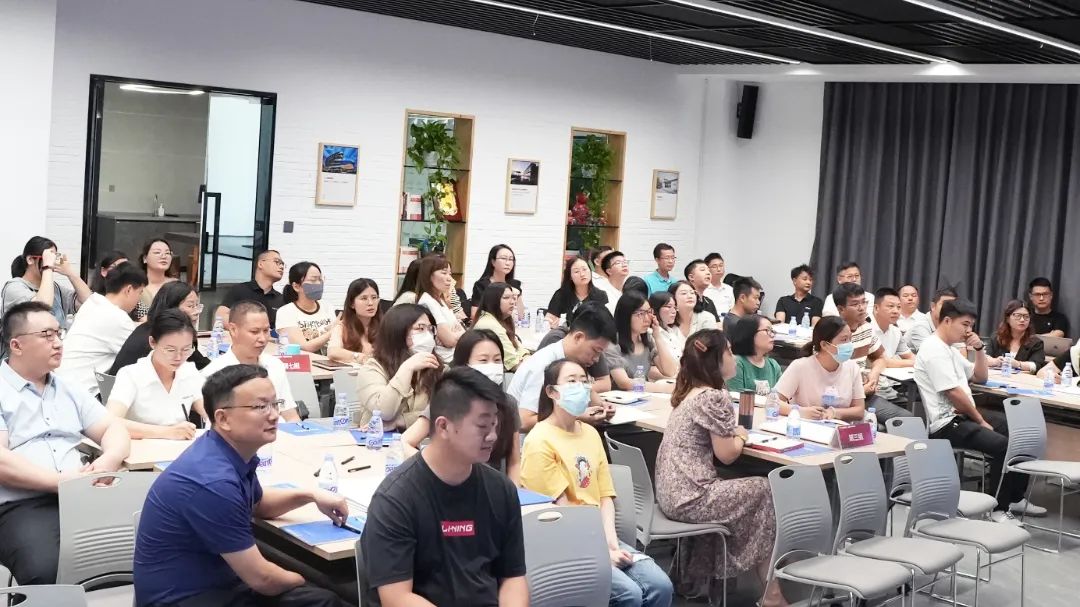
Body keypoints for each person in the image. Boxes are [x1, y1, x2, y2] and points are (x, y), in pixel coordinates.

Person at [134, 365, 348, 607]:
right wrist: (306, 580)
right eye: (260, 407)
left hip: (219, 586)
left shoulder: (225, 451)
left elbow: (259, 504)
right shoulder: (213, 482)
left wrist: (310, 495)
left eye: (275, 404)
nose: (274, 415)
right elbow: (263, 579)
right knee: (327, 596)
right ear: (223, 418)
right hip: (186, 599)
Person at [361, 367, 528, 607]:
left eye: (495, 424)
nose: (492, 436)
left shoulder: (501, 490)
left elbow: (512, 577)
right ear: (443, 427)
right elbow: (397, 598)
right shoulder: (395, 499)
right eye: (482, 426)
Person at [521, 359, 674, 607]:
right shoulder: (540, 440)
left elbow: (605, 496)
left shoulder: (590, 433)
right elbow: (560, 513)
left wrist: (611, 542)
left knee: (660, 585)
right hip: (566, 542)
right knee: (629, 594)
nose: (580, 387)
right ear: (551, 392)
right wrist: (601, 552)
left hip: (598, 535)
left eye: (584, 381)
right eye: (571, 381)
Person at [0, 301, 130, 586]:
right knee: (46, 569)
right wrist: (61, 482)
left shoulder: (67, 388)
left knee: (139, 551)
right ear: (16, 345)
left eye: (59, 333)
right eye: (47, 335)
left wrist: (107, 461)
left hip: (82, 494)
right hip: (22, 505)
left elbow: (114, 428)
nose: (58, 343)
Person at [654, 329, 786, 606]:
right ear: (715, 360)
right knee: (765, 488)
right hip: (690, 496)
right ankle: (771, 593)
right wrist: (741, 435)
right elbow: (727, 454)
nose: (734, 357)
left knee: (736, 486)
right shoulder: (713, 397)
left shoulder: (690, 392)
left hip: (670, 493)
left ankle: (701, 578)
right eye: (728, 351)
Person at [913, 299, 1041, 521]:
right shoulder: (933, 349)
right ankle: (998, 509)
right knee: (1002, 446)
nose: (968, 330)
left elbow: (980, 376)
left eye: (971, 325)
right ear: (947, 321)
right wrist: (980, 420)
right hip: (947, 424)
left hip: (963, 416)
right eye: (964, 324)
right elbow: (954, 394)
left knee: (1021, 434)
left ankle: (1016, 497)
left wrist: (980, 349)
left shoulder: (950, 349)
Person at [401, 329, 522, 483]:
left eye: (497, 360)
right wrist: (436, 471)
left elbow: (514, 462)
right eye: (483, 360)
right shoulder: (449, 400)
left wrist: (512, 492)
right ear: (464, 365)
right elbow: (406, 441)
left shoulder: (508, 403)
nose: (492, 366)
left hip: (492, 488)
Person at [509, 302, 616, 432]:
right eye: (595, 351)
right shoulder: (544, 364)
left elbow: (586, 391)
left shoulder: (572, 361)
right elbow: (523, 422)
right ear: (578, 337)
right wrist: (576, 417)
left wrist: (602, 406)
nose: (597, 359)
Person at [106, 310, 206, 439]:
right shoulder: (131, 375)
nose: (178, 357)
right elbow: (110, 421)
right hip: (141, 449)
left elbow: (210, 411)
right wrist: (167, 432)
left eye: (186, 349)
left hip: (179, 448)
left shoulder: (188, 371)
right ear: (152, 342)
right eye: (170, 350)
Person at [200, 301, 301, 423]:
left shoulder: (275, 365)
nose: (262, 339)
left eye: (266, 331)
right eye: (254, 332)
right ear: (233, 330)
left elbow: (290, 415)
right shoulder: (214, 373)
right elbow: (216, 426)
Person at [56, 262, 146, 397]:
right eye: (140, 293)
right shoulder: (118, 318)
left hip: (62, 385)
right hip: (83, 394)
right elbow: (143, 358)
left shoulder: (93, 303)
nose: (139, 300)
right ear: (128, 290)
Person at [354, 304, 442, 430]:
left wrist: (401, 421)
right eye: (420, 328)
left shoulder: (437, 368)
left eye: (430, 329)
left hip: (423, 439)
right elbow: (384, 412)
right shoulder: (373, 368)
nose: (428, 335)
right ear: (398, 332)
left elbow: (445, 413)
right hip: (378, 439)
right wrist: (407, 368)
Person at [833, 283, 909, 423]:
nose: (862, 308)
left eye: (864, 302)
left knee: (908, 419)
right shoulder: (832, 333)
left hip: (866, 395)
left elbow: (880, 358)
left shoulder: (866, 328)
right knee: (877, 426)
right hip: (840, 399)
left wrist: (874, 375)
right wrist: (860, 390)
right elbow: (828, 379)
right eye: (855, 304)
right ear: (841, 309)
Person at [774, 317, 868, 422]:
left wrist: (834, 413)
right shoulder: (800, 366)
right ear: (824, 345)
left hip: (838, 427)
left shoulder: (852, 368)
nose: (849, 344)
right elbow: (774, 402)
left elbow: (859, 410)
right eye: (844, 340)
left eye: (850, 339)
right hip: (804, 425)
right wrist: (800, 411)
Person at [109, 281, 209, 374]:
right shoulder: (169, 336)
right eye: (190, 306)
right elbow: (205, 369)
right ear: (172, 308)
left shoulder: (148, 327)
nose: (197, 312)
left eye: (197, 306)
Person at [1, 236, 92, 328]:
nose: (52, 263)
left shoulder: (55, 288)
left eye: (54, 257)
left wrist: (71, 273)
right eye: (48, 258)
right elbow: (42, 307)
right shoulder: (13, 287)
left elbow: (88, 302)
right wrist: (47, 267)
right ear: (30, 260)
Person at [605, 293, 678, 393]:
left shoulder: (647, 339)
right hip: (619, 399)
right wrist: (662, 388)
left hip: (644, 395)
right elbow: (624, 383)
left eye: (649, 312)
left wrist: (657, 336)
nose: (647, 319)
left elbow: (670, 371)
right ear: (625, 315)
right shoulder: (612, 343)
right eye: (640, 314)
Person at [411, 255, 465, 363]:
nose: (449, 278)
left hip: (455, 355)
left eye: (450, 274)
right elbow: (449, 340)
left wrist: (457, 333)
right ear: (429, 275)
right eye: (444, 273)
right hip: (444, 361)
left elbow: (461, 330)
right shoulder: (427, 301)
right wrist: (458, 333)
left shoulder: (441, 300)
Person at [215, 250, 286, 330]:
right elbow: (220, 317)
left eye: (282, 264)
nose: (281, 267)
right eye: (277, 262)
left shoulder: (281, 299)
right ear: (260, 264)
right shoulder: (240, 290)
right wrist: (248, 330)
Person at [276, 261, 336, 354]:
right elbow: (303, 347)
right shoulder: (285, 312)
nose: (318, 283)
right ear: (296, 286)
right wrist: (333, 331)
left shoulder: (327, 306)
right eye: (313, 280)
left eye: (320, 279)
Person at [472, 282, 527, 371]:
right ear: (493, 301)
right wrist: (528, 359)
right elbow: (514, 364)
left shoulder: (499, 320)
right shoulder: (490, 325)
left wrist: (526, 356)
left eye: (513, 298)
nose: (512, 302)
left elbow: (518, 347)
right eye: (506, 298)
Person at [327, 278, 381, 365]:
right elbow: (333, 352)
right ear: (352, 304)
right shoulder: (342, 327)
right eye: (364, 298)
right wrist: (360, 357)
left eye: (374, 298)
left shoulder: (385, 326)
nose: (370, 303)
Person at [544, 256, 608, 329]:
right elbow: (549, 320)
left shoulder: (600, 295)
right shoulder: (561, 295)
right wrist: (550, 323)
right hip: (565, 334)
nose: (582, 274)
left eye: (584, 269)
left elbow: (605, 323)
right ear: (570, 276)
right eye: (577, 271)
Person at [986, 300, 1045, 374]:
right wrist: (995, 361)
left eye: (1026, 316)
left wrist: (1018, 364)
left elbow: (1036, 365)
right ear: (1008, 318)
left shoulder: (1036, 343)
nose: (1022, 320)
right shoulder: (997, 337)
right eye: (1018, 316)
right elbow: (985, 358)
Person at [728, 315, 783, 393]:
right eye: (767, 330)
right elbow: (735, 397)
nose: (772, 335)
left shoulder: (773, 365)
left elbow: (780, 396)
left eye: (772, 331)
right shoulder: (736, 363)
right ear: (749, 333)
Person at [668, 281, 718, 355]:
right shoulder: (668, 320)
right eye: (684, 293)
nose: (690, 296)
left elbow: (710, 348)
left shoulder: (706, 318)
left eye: (692, 293)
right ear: (672, 298)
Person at [135, 238, 178, 321]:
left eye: (167, 253)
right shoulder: (135, 285)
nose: (164, 256)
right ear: (145, 258)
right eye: (157, 252)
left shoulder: (177, 285)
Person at [905, 286, 958, 353]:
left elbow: (961, 351)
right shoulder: (920, 325)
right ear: (933, 306)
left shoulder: (952, 324)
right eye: (944, 304)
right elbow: (930, 355)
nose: (948, 309)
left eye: (952, 306)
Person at [470, 244, 522, 311]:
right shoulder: (481, 285)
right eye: (503, 258)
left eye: (511, 259)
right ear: (493, 262)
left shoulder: (515, 284)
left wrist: (517, 296)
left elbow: (521, 315)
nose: (508, 263)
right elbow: (475, 314)